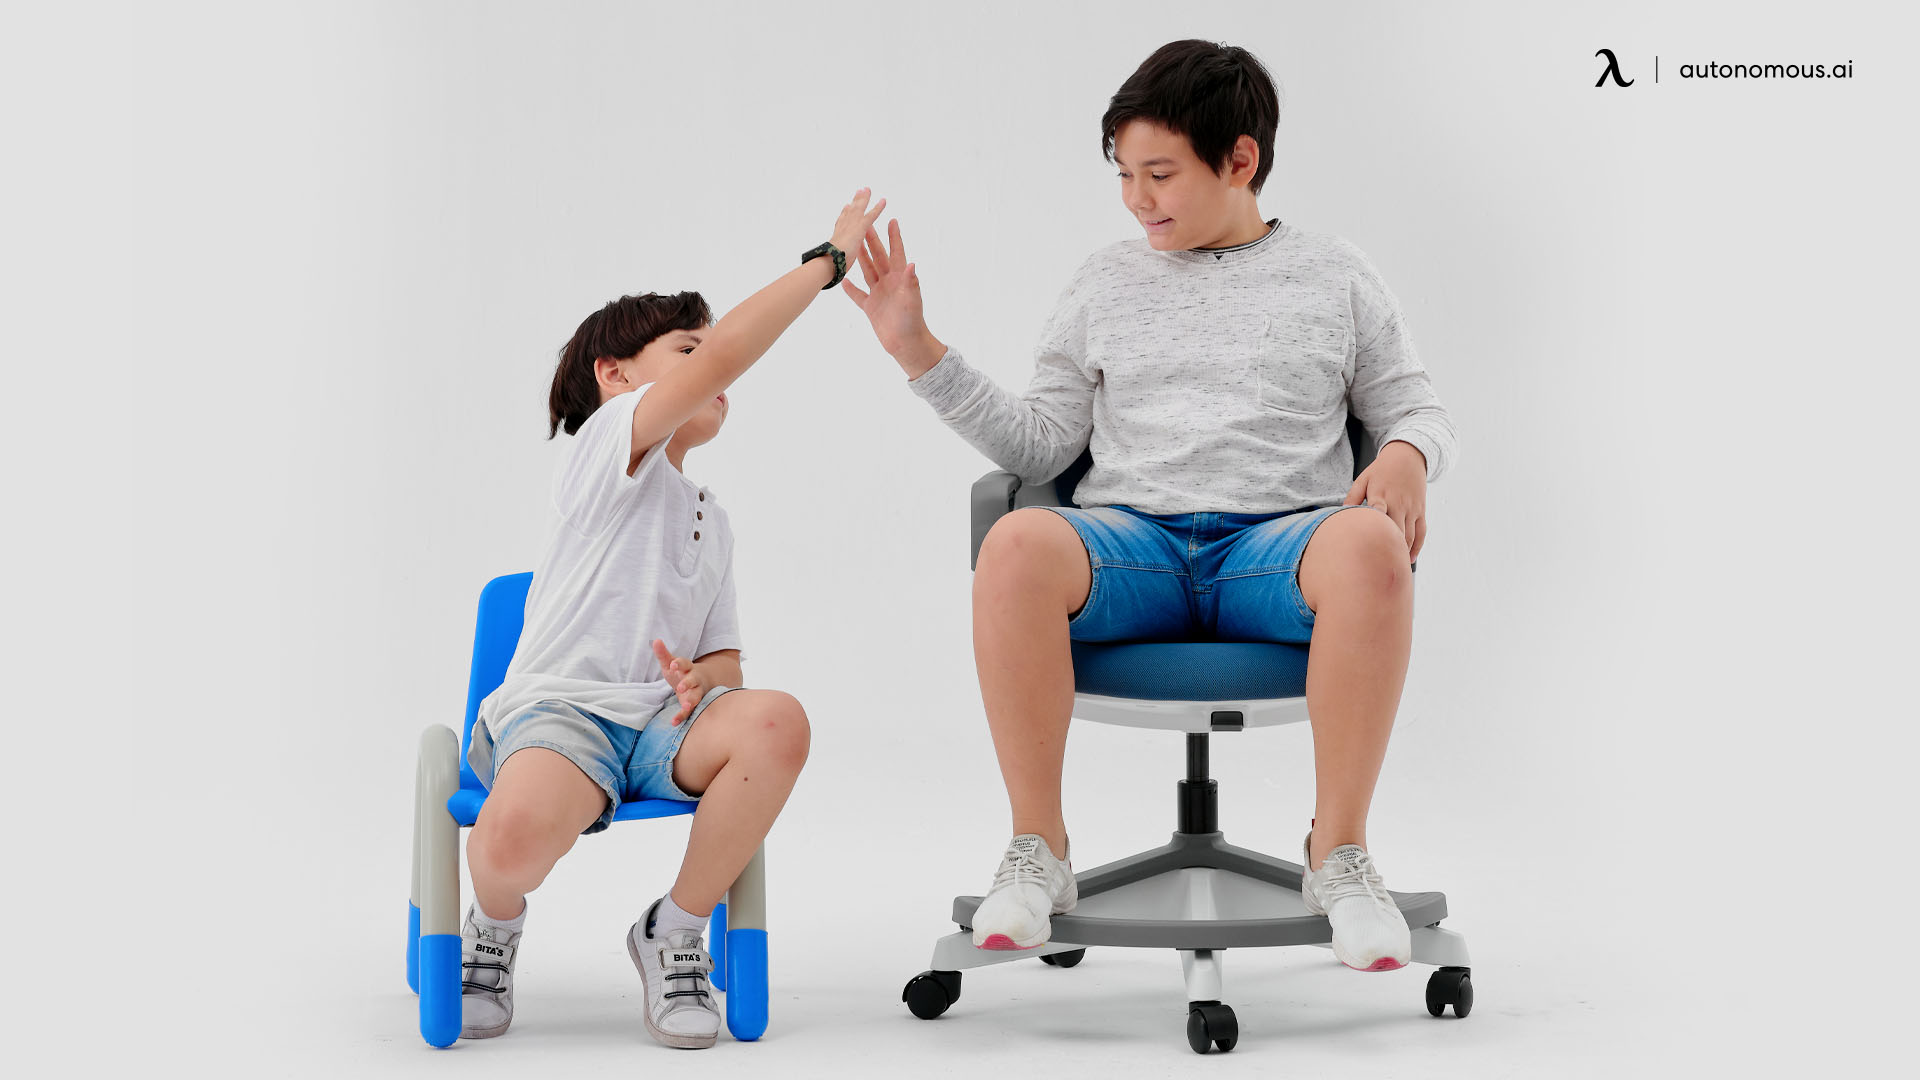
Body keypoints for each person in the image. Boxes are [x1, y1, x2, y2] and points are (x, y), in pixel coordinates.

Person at [842, 41, 1457, 973]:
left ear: (1240, 160)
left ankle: (1340, 855)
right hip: (1136, 548)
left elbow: (1414, 405)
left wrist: (1408, 453)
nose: (1138, 198)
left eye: (1160, 173)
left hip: (1278, 549)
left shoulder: (1336, 275)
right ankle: (1037, 853)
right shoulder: (1104, 281)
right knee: (1015, 542)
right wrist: (917, 349)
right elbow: (1043, 445)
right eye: (1125, 175)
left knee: (1371, 544)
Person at [459, 190, 887, 1047]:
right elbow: (728, 352)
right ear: (616, 378)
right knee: (507, 844)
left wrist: (705, 683)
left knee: (776, 720)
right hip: (561, 713)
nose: (713, 372)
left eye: (704, 352)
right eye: (687, 352)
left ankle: (674, 929)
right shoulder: (608, 446)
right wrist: (825, 264)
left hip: (657, 728)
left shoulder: (710, 518)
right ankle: (494, 928)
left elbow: (725, 662)